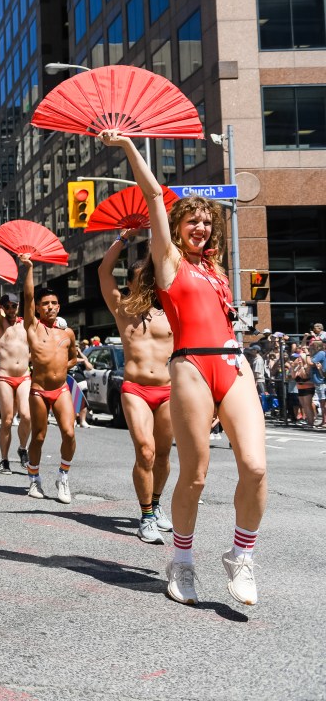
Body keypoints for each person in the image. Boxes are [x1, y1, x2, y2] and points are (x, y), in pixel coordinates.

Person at [103, 130, 266, 607]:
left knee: (255, 467)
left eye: (206, 222)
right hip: (191, 368)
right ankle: (182, 559)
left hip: (233, 364)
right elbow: (155, 193)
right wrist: (128, 146)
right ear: (177, 228)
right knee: (194, 476)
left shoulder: (216, 270)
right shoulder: (169, 260)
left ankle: (240, 556)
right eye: (192, 221)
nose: (201, 228)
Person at [100, 231, 176, 545]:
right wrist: (123, 240)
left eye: (150, 278)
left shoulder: (171, 310)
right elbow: (104, 272)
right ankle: (145, 516)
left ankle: (156, 504)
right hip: (135, 389)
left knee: (161, 456)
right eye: (140, 278)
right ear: (131, 283)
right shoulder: (122, 308)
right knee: (144, 451)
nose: (145, 283)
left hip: (169, 391)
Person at [19, 255, 81, 504]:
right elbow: (27, 297)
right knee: (40, 436)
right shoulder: (33, 328)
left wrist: (60, 368)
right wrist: (30, 268)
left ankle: (63, 476)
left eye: (54, 303)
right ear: (37, 308)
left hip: (62, 389)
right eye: (45, 303)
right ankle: (34, 479)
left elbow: (74, 358)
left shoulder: (67, 332)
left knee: (69, 433)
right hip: (38, 390)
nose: (50, 307)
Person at [0, 277, 32, 473]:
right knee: (8, 419)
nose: (12, 310)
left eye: (14, 306)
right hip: (5, 376)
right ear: (3, 308)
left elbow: (30, 297)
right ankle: (4, 459)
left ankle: (22, 448)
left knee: (26, 416)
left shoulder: (25, 325)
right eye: (8, 306)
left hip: (24, 376)